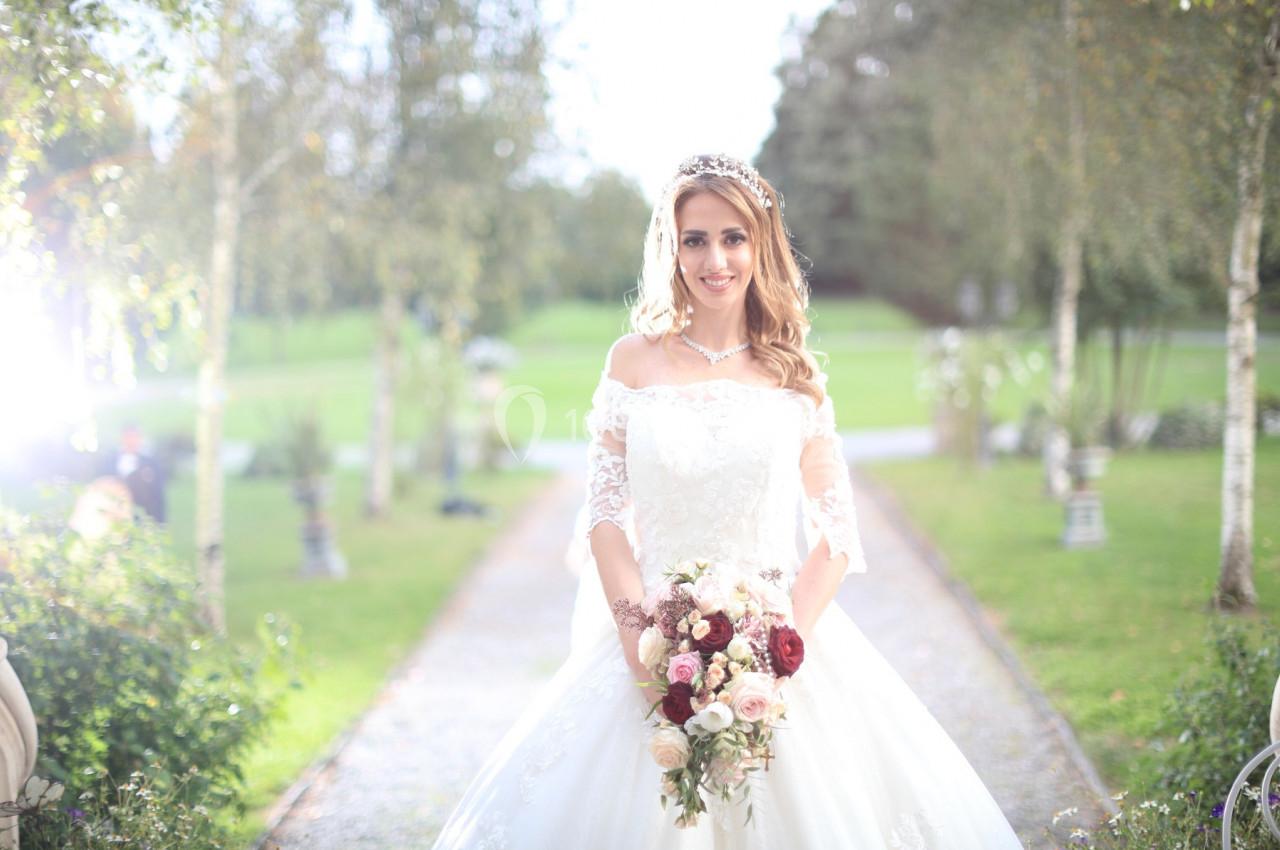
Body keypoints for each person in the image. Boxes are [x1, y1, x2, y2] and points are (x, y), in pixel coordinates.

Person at [430, 154, 1026, 849]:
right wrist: (642, 654)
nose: (715, 260)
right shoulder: (632, 362)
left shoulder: (795, 375)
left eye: (733, 238)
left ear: (759, 245)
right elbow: (605, 520)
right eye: (696, 240)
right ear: (673, 249)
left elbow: (837, 533)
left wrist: (777, 651)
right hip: (653, 640)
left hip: (776, 645)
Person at [102, 424, 167, 524]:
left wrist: (159, 523)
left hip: (142, 520)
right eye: (128, 437)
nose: (131, 441)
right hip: (114, 519)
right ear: (122, 438)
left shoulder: (151, 464)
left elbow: (158, 496)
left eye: (135, 437)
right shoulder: (109, 462)